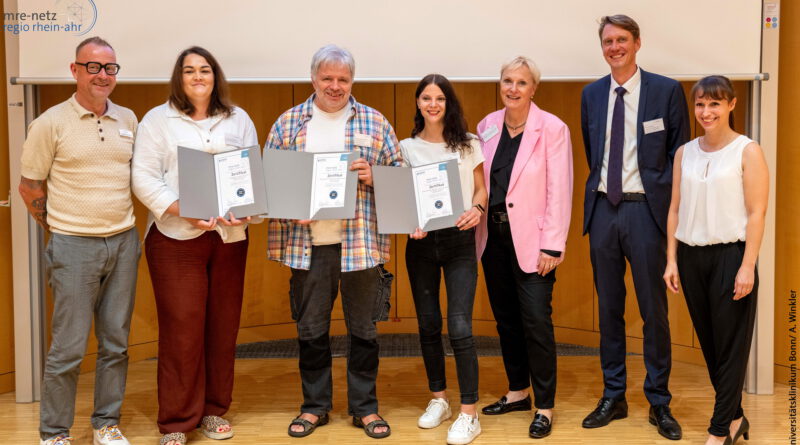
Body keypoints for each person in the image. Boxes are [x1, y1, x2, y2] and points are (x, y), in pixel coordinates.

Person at [265, 44, 403, 440]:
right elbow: (270, 182)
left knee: (364, 329)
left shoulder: (375, 123)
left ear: (352, 81)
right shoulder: (288, 124)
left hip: (359, 244)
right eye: (327, 78)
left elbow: (402, 178)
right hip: (306, 244)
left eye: (343, 79)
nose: (335, 86)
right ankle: (314, 407)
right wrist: (291, 205)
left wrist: (376, 175)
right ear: (313, 79)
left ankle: (365, 408)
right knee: (310, 329)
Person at [132, 46, 258, 445]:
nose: (198, 77)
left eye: (205, 70)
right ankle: (175, 422)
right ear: (179, 78)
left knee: (222, 327)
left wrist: (247, 210)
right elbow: (143, 177)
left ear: (216, 76)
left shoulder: (238, 119)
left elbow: (251, 175)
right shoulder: (157, 120)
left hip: (229, 237)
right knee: (182, 330)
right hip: (175, 239)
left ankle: (213, 410)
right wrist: (180, 208)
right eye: (189, 71)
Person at [18, 36, 139, 445]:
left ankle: (106, 424)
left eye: (109, 68)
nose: (102, 75)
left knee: (116, 344)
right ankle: (54, 433)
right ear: (75, 70)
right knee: (68, 349)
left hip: (123, 242)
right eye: (93, 67)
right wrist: (60, 232)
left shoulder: (128, 119)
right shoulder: (50, 123)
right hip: (73, 245)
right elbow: (30, 186)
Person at [580, 14, 690, 440]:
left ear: (637, 43)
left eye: (622, 39)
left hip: (647, 213)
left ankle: (659, 402)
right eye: (608, 41)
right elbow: (595, 152)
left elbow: (680, 154)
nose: (614, 47)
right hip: (604, 212)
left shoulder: (666, 91)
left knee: (653, 313)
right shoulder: (591, 95)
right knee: (608, 311)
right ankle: (614, 395)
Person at [663, 75, 768, 445]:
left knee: (731, 347)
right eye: (701, 104)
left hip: (731, 257)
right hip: (691, 258)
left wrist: (747, 266)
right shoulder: (685, 153)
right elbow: (675, 209)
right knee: (710, 346)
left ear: (732, 105)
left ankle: (719, 429)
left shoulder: (747, 150)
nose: (706, 112)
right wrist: (672, 259)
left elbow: (757, 212)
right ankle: (736, 418)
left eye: (715, 104)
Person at [475, 56, 573, 439]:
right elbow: (479, 181)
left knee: (536, 323)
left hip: (534, 244)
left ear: (534, 88)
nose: (512, 89)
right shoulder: (486, 126)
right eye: (506, 81)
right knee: (506, 321)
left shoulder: (552, 128)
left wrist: (553, 245)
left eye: (521, 82)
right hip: (492, 239)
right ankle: (518, 392)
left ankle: (544, 407)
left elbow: (559, 191)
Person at [400, 74, 487, 445]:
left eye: (439, 98)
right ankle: (440, 399)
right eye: (425, 98)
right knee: (428, 324)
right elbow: (403, 197)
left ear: (448, 102)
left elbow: (482, 186)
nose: (432, 104)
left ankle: (470, 413)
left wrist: (478, 207)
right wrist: (409, 222)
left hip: (459, 242)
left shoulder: (468, 144)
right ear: (418, 103)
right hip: (421, 244)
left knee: (461, 326)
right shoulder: (406, 147)